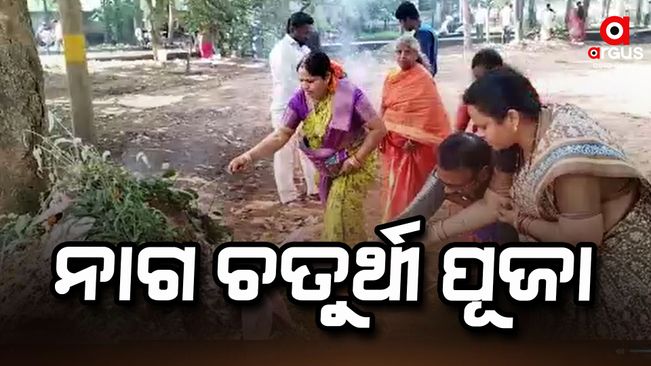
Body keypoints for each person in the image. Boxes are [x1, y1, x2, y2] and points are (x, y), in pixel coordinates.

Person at [428, 66, 651, 340]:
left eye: (483, 126)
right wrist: (431, 234)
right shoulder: (520, 135)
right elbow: (493, 204)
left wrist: (520, 221)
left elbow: (582, 243)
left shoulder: (568, 161)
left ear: (511, 117)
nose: (480, 134)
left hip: (618, 267)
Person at [228, 52, 386, 244]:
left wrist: (356, 159)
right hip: (329, 167)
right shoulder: (300, 100)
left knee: (340, 210)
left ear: (327, 77)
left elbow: (378, 129)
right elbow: (281, 135)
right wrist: (248, 157)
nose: (304, 86)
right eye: (301, 80)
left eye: (310, 81)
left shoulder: (349, 95)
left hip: (356, 163)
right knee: (341, 217)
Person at [397, 132, 520, 243]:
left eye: (453, 185)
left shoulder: (510, 180)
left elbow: (493, 211)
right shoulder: (449, 173)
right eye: (443, 181)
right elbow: (415, 211)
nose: (446, 190)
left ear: (483, 174)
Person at [379, 35, 451, 222]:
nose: (403, 56)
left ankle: (405, 223)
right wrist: (382, 131)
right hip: (395, 144)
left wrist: (415, 140)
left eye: (408, 52)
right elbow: (385, 105)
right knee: (395, 184)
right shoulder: (391, 76)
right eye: (399, 52)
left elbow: (430, 112)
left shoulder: (423, 77)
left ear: (416, 54)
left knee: (410, 188)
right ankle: (396, 221)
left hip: (415, 147)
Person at [268, 12, 319, 204]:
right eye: (305, 31)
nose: (308, 35)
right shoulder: (280, 51)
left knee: (308, 147)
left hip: (305, 107)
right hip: (285, 107)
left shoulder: (304, 50)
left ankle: (313, 189)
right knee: (284, 151)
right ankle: (287, 195)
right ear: (294, 29)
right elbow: (288, 82)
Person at [455, 48, 504, 133]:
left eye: (485, 79)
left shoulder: (510, 96)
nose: (479, 84)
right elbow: (458, 130)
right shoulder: (470, 97)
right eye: (477, 78)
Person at [395, 1, 440, 76]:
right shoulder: (427, 29)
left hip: (423, 79)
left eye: (401, 21)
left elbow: (423, 63)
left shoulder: (422, 33)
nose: (401, 25)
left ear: (408, 19)